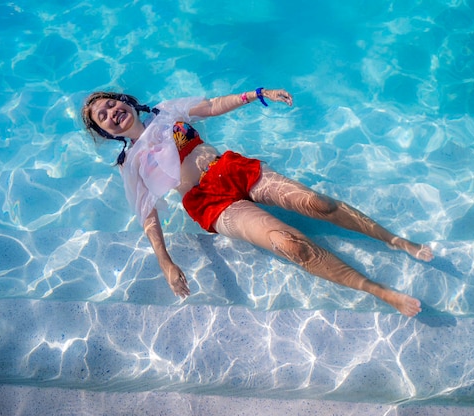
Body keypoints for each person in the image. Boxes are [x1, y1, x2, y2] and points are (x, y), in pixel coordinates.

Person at [81, 88, 434, 317]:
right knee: (291, 245)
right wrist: (166, 263)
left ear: (125, 101)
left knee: (318, 205)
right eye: (103, 116)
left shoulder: (165, 112)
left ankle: (396, 240)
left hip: (231, 169)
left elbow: (212, 106)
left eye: (111, 103)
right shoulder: (131, 164)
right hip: (209, 204)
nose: (111, 112)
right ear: (107, 134)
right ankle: (380, 291)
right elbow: (148, 216)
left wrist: (258, 94)